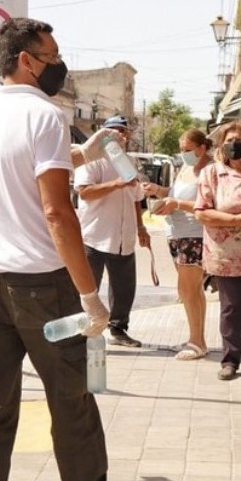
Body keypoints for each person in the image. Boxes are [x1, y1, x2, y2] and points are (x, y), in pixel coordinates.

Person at [0, 17, 132, 481]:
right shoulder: (45, 117)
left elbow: (19, 169)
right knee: (71, 400)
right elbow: (57, 211)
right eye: (53, 57)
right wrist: (89, 295)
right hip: (43, 289)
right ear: (26, 61)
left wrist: (83, 152)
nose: (60, 66)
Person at [74, 115, 150, 348]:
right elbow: (85, 192)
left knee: (124, 289)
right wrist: (116, 184)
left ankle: (118, 330)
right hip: (94, 236)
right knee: (88, 290)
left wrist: (140, 227)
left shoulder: (129, 162)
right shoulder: (91, 161)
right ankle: (82, 335)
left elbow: (136, 198)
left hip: (123, 238)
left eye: (123, 132)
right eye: (114, 131)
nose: (120, 136)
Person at [194, 121, 241, 380]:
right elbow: (201, 212)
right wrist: (237, 220)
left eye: (240, 139)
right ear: (221, 144)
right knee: (231, 308)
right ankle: (230, 359)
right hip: (224, 255)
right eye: (230, 140)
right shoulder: (212, 173)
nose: (235, 145)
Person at [142, 128, 213, 360]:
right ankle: (196, 337)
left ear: (202, 148)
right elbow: (175, 193)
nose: (183, 154)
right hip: (176, 233)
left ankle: (197, 342)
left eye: (188, 150)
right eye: (181, 150)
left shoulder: (210, 170)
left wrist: (177, 204)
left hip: (195, 234)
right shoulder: (185, 167)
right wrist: (158, 191)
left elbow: (207, 204)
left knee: (187, 289)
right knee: (192, 290)